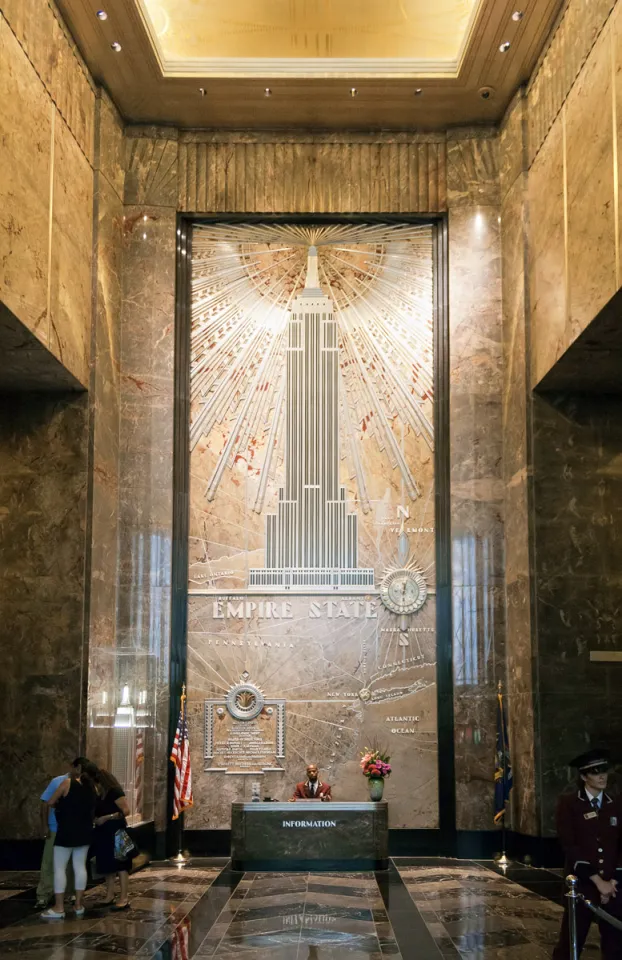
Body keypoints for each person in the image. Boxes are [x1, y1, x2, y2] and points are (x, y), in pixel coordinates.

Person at [553, 748, 622, 959]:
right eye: (595, 771)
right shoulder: (569, 804)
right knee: (570, 944)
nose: (602, 776)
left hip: (614, 886)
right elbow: (570, 846)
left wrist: (612, 881)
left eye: (604, 770)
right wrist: (597, 881)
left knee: (615, 946)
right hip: (583, 884)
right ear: (584, 776)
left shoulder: (616, 804)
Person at [41, 758, 98, 920]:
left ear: (79, 768)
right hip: (85, 831)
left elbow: (50, 802)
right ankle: (78, 905)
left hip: (66, 831)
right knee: (80, 867)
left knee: (60, 868)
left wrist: (63, 806)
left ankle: (59, 908)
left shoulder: (67, 783)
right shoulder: (92, 788)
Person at [93, 768, 134, 910]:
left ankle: (124, 898)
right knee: (108, 866)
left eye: (96, 783)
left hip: (117, 833)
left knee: (121, 865)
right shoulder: (100, 795)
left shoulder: (115, 792)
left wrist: (107, 817)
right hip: (103, 834)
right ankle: (109, 895)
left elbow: (126, 811)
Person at [36, 765, 75, 909]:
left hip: (70, 830)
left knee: (69, 864)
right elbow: (45, 804)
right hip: (55, 828)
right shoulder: (58, 781)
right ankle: (44, 895)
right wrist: (45, 826)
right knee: (49, 861)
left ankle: (68, 892)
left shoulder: (81, 784)